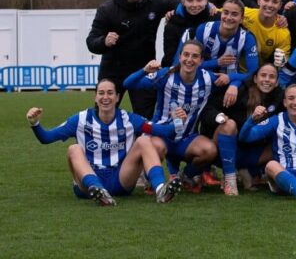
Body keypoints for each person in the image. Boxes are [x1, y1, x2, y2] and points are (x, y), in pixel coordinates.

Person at [26, 78, 183, 206]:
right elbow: (46, 138)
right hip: (88, 183)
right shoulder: (80, 119)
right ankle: (99, 191)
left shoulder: (128, 119)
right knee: (73, 149)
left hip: (120, 179)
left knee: (144, 141)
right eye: (101, 93)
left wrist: (178, 121)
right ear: (95, 97)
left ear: (117, 98)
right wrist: (35, 123)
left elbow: (163, 131)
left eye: (110, 93)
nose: (105, 97)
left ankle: (162, 190)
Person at [123, 40, 219, 195]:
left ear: (201, 61)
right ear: (180, 57)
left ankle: (185, 176)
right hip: (161, 135)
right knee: (155, 147)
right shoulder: (166, 75)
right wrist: (144, 70)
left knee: (210, 150)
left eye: (195, 56)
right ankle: (151, 180)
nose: (189, 59)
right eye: (186, 55)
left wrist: (232, 84)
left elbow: (235, 78)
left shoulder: (208, 78)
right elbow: (128, 84)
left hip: (186, 138)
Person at [86, 0, 178, 118]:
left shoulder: (156, 2)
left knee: (144, 118)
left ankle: (141, 141)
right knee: (102, 115)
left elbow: (185, 3)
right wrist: (104, 41)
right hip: (113, 71)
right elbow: (91, 42)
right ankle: (99, 140)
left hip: (144, 71)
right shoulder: (107, 9)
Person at [192, 0, 260, 194]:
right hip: (202, 87)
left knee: (230, 126)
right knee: (194, 129)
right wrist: (216, 63)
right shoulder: (204, 30)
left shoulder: (246, 38)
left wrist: (233, 81)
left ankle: (231, 173)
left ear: (241, 18)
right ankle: (193, 172)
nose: (229, 17)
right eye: (226, 13)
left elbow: (253, 73)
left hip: (228, 91)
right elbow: (188, 63)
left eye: (234, 14)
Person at [161, 0, 213, 67]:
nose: (195, 5)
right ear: (183, 1)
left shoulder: (215, 19)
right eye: (190, 0)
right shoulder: (173, 23)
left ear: (206, 0)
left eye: (199, 0)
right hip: (179, 71)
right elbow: (169, 58)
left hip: (209, 71)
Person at [241, 0, 291, 65]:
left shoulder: (283, 33)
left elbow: (283, 61)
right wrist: (211, 6)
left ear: (280, 5)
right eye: (266, 0)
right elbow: (219, 12)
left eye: (275, 2)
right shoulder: (244, 13)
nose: (270, 5)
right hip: (233, 70)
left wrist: (282, 61)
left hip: (260, 74)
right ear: (259, 1)